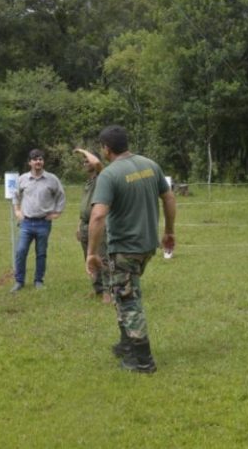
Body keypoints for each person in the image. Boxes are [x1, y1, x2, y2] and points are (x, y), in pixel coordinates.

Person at [86, 125, 176, 373]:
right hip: (147, 245)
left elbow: (97, 216)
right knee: (123, 291)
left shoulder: (110, 174)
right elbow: (168, 197)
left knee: (128, 300)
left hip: (124, 248)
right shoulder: (150, 165)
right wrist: (169, 231)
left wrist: (92, 253)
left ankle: (143, 360)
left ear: (106, 148)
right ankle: (126, 344)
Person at [11, 149, 66, 292]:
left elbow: (61, 196)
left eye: (40, 159)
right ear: (30, 162)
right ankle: (19, 281)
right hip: (26, 223)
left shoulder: (52, 179)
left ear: (43, 162)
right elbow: (15, 195)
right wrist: (17, 210)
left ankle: (38, 281)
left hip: (44, 223)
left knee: (41, 253)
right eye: (35, 159)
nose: (38, 162)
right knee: (21, 251)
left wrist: (57, 213)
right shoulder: (22, 179)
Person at [74, 148, 112, 304]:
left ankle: (108, 292)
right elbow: (85, 206)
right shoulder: (88, 182)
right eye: (83, 160)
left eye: (87, 159)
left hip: (98, 224)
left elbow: (97, 163)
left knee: (102, 257)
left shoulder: (102, 178)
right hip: (85, 225)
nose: (85, 162)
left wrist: (83, 150)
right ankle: (97, 289)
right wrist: (79, 225)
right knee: (89, 258)